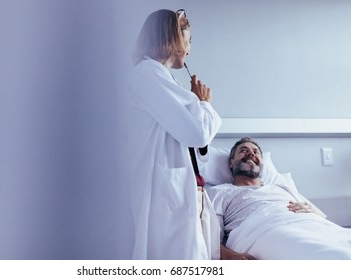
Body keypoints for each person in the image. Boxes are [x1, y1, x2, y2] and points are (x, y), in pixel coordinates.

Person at [127, 9, 222, 259]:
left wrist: (195, 103)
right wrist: (204, 103)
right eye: (188, 41)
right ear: (174, 40)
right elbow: (198, 133)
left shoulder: (160, 78)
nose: (189, 49)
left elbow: (192, 146)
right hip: (162, 196)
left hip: (176, 193)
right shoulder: (149, 74)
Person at [206, 137, 351, 260]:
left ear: (262, 164)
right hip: (267, 230)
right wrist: (231, 257)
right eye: (243, 150)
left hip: (315, 225)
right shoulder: (219, 192)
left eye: (256, 152)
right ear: (230, 163)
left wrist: (314, 212)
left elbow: (323, 219)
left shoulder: (282, 187)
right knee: (336, 256)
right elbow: (208, 235)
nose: (251, 153)